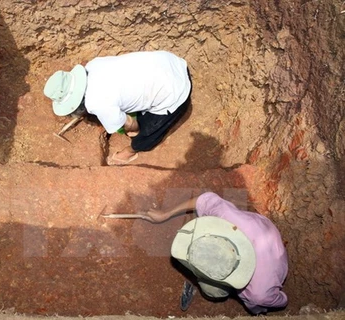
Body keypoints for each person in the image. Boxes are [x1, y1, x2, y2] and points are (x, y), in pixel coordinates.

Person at [143, 192, 289, 315]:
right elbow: (204, 199)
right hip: (261, 227)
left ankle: (224, 288)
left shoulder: (258, 292)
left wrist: (258, 308)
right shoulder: (227, 217)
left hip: (269, 268)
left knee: (213, 290)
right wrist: (165, 214)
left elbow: (281, 302)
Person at [43, 51, 192, 165]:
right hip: (170, 62)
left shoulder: (97, 103)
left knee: (147, 132)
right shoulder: (92, 65)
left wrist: (134, 130)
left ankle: (130, 152)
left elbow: (130, 124)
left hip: (175, 91)